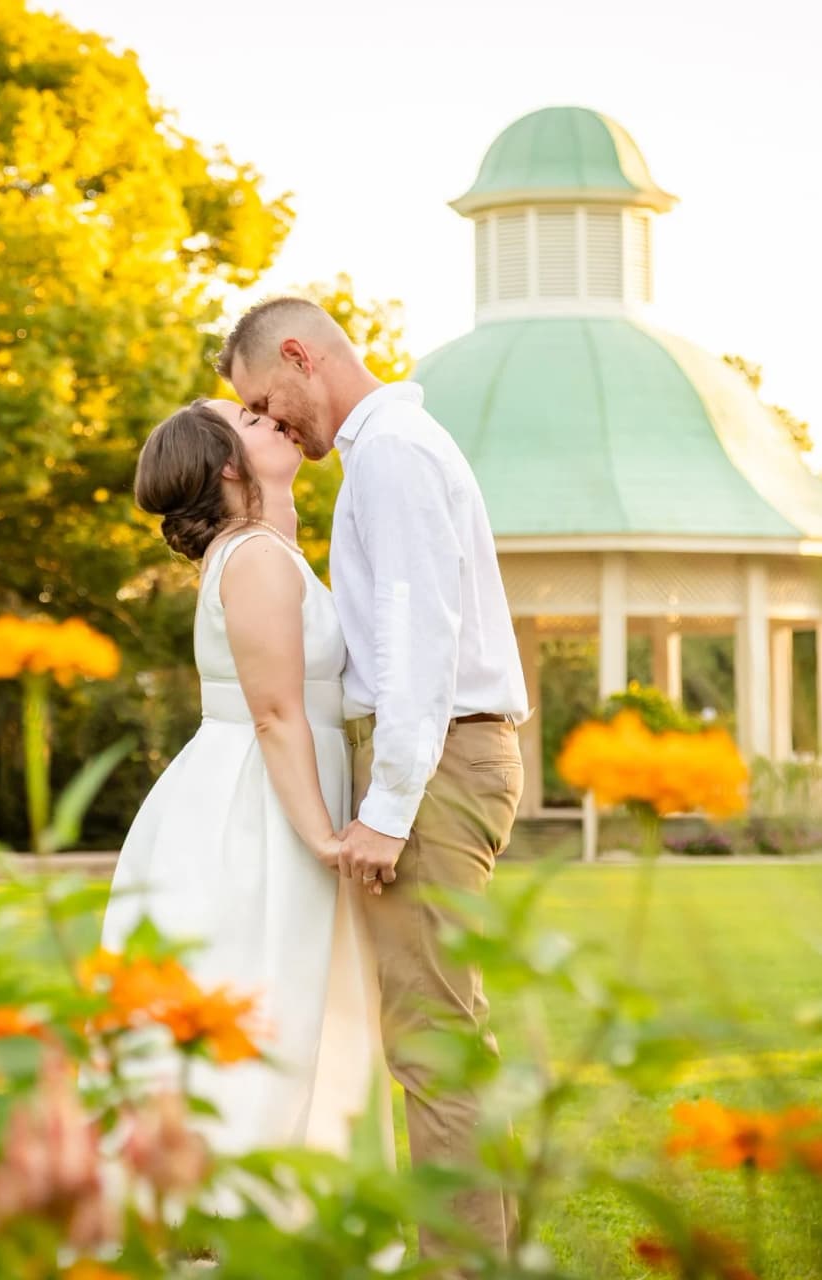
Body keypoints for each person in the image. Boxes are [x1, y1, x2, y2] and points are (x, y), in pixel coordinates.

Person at [220, 297, 530, 1260]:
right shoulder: (381, 452)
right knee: (440, 1034)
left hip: (439, 764)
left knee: (433, 1043)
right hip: (443, 757)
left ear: (303, 356)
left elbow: (418, 645)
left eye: (269, 399)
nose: (273, 423)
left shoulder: (391, 454)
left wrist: (389, 810)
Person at [100, 397, 384, 1159]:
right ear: (229, 463)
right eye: (254, 421)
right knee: (271, 980)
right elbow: (276, 713)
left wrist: (279, 488)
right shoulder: (253, 558)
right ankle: (232, 1192)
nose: (278, 420)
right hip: (259, 797)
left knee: (283, 980)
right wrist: (323, 837)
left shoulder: (262, 546)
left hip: (272, 781)